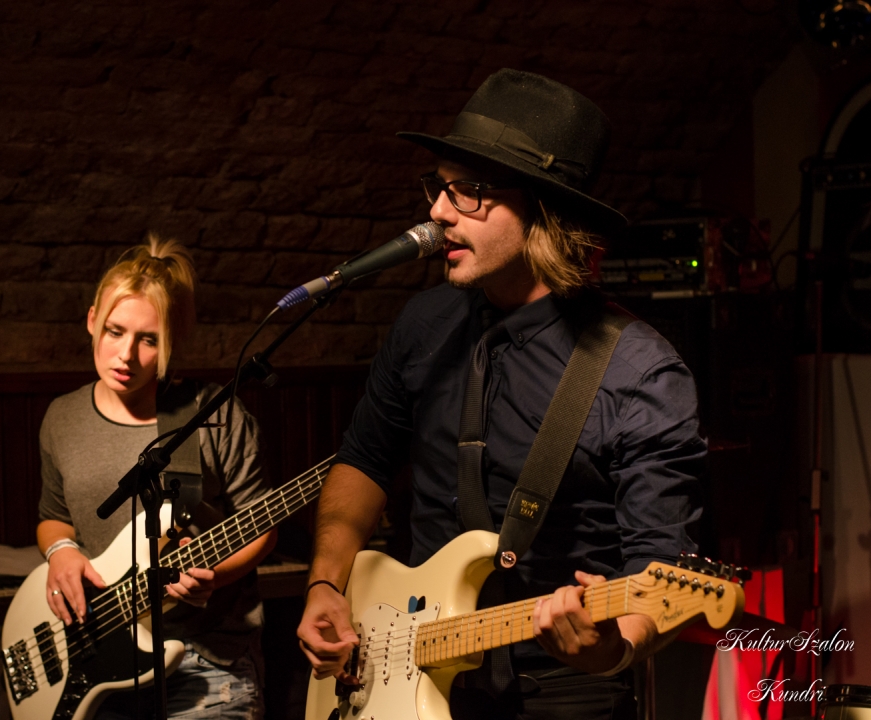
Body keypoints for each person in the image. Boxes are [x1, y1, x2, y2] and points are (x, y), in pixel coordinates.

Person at [296, 69, 706, 719]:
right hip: (400, 674)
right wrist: (325, 580)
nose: (438, 211)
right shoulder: (423, 325)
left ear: (543, 211)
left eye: (470, 191)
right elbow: (364, 460)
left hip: (561, 692)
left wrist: (609, 649)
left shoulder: (640, 373)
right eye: (438, 186)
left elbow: (661, 574)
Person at [37, 235, 276, 719]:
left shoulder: (215, 415)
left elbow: (263, 526)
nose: (126, 355)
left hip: (207, 663)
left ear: (171, 343)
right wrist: (60, 551)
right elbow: (54, 516)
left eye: (149, 340)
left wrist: (214, 576)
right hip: (103, 657)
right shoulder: (62, 417)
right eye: (114, 331)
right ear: (92, 320)